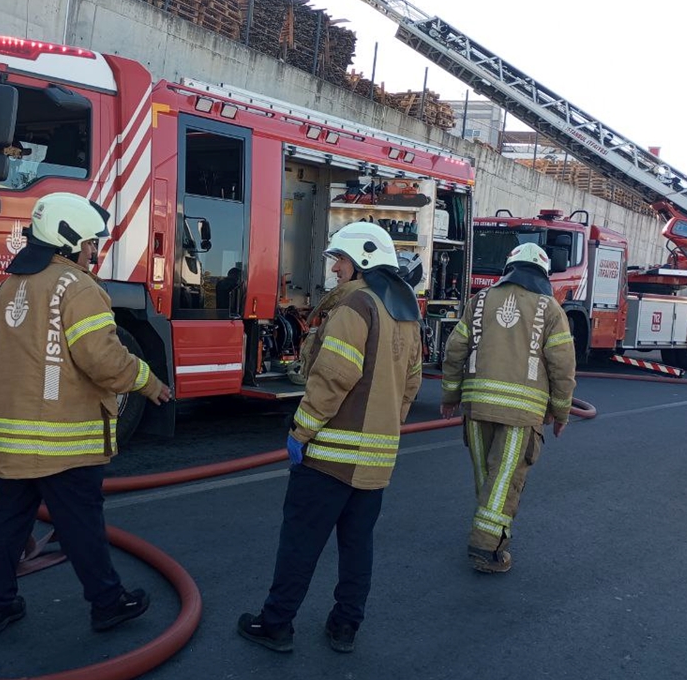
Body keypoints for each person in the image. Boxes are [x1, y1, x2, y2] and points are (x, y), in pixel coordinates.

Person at [0, 192, 172, 635]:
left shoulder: (4, 289)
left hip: (9, 438)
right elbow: (103, 359)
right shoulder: (80, 288)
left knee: (8, 522)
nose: (93, 251)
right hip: (63, 440)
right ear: (69, 242)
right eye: (90, 243)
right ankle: (108, 603)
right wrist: (149, 381)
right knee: (82, 525)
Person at [237, 221, 424, 654]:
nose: (335, 269)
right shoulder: (405, 313)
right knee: (357, 548)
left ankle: (277, 624)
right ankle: (345, 627)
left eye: (339, 259)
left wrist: (301, 431)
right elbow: (411, 384)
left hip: (331, 459)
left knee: (300, 544)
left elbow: (333, 378)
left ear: (361, 261)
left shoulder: (356, 306)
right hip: (376, 462)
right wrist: (385, 424)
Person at [440, 242, 577, 574]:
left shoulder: (480, 300)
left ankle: (494, 535)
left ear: (509, 269)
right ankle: (486, 550)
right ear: (543, 274)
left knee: (488, 478)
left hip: (476, 407)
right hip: (521, 413)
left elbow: (455, 348)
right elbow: (562, 366)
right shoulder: (550, 309)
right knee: (504, 480)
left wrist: (450, 395)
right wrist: (561, 413)